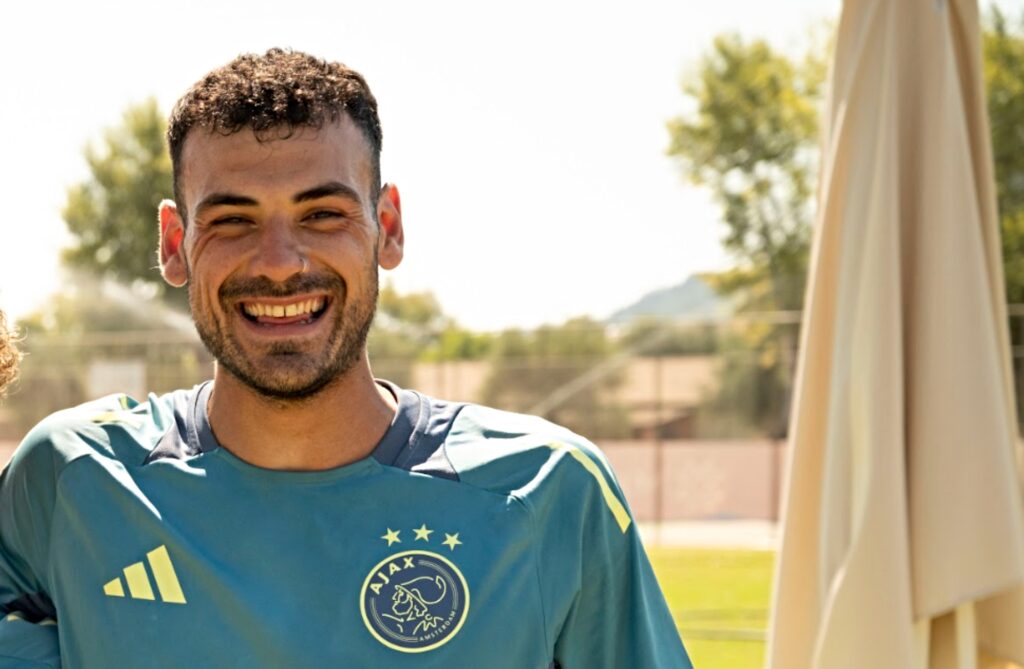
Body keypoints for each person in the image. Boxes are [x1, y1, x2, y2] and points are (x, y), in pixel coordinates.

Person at [0, 49, 692, 667]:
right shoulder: (72, 478)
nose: (278, 262)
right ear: (175, 244)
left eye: (322, 214)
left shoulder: (548, 491)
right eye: (233, 219)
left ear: (386, 227)